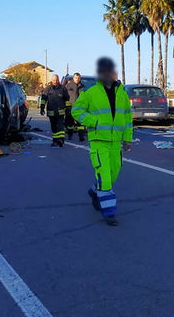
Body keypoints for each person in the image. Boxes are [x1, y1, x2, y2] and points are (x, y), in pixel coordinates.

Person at [72, 58, 133, 226]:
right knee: (105, 176)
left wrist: (127, 139)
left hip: (115, 143)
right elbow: (76, 111)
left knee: (114, 173)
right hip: (99, 141)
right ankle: (109, 212)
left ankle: (94, 191)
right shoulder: (91, 93)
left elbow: (127, 118)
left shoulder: (122, 93)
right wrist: (94, 121)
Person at [40, 74, 69, 147]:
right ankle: (55, 140)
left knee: (60, 126)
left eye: (56, 80)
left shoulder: (63, 88)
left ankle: (61, 140)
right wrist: (42, 108)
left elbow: (67, 99)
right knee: (54, 127)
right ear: (51, 80)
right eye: (53, 80)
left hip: (60, 111)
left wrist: (68, 108)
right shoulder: (47, 88)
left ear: (58, 80)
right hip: (51, 111)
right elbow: (43, 99)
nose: (55, 81)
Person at [64, 72, 86, 141]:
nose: (77, 79)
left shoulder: (82, 86)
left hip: (80, 108)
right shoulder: (68, 86)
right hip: (70, 107)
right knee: (70, 123)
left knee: (81, 123)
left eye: (78, 78)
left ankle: (81, 137)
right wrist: (66, 106)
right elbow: (65, 96)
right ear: (73, 78)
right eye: (76, 78)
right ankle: (70, 135)